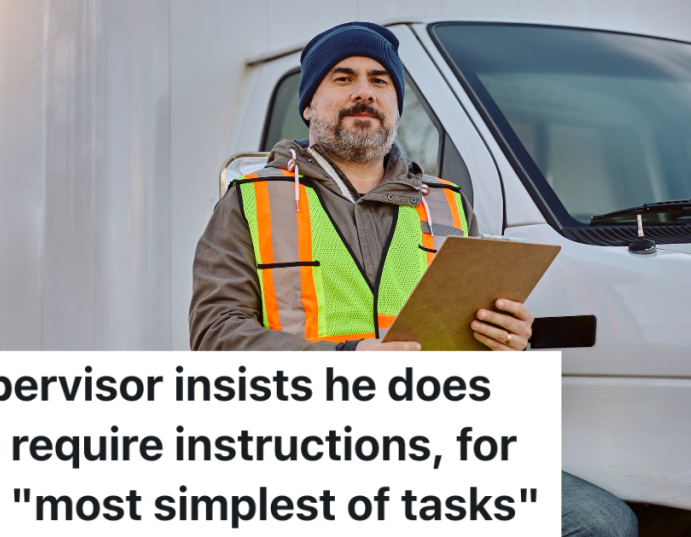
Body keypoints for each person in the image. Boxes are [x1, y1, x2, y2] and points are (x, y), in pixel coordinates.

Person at [189, 21, 638, 536]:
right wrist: (345, 361)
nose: (365, 91)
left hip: (434, 444)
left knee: (602, 523)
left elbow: (463, 337)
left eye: (381, 80)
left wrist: (506, 340)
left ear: (396, 107)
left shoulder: (446, 203)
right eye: (343, 77)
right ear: (309, 105)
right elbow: (214, 337)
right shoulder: (250, 201)